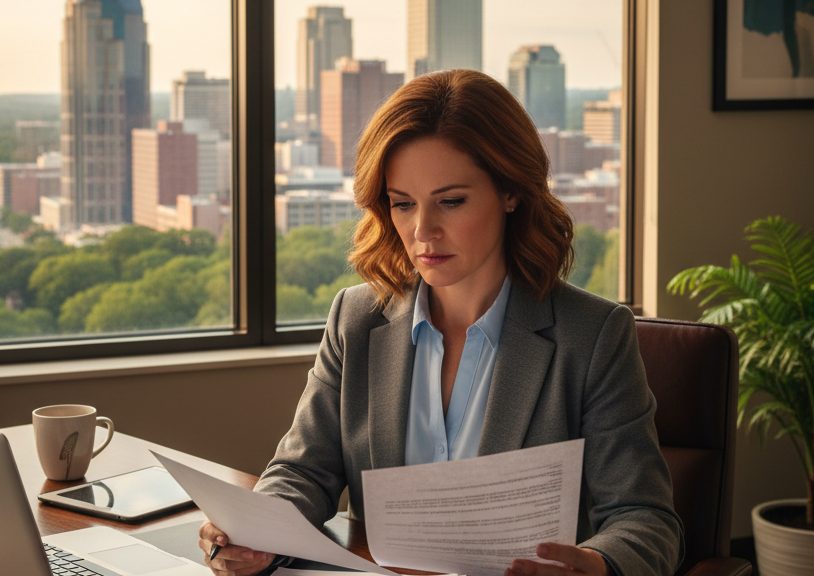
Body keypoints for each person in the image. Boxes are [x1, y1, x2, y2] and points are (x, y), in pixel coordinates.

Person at [198, 69, 683, 576]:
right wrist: (254, 533)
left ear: (511, 192)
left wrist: (597, 565)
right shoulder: (356, 319)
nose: (422, 230)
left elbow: (644, 520)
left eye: (451, 201)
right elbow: (302, 471)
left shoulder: (592, 335)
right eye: (402, 204)